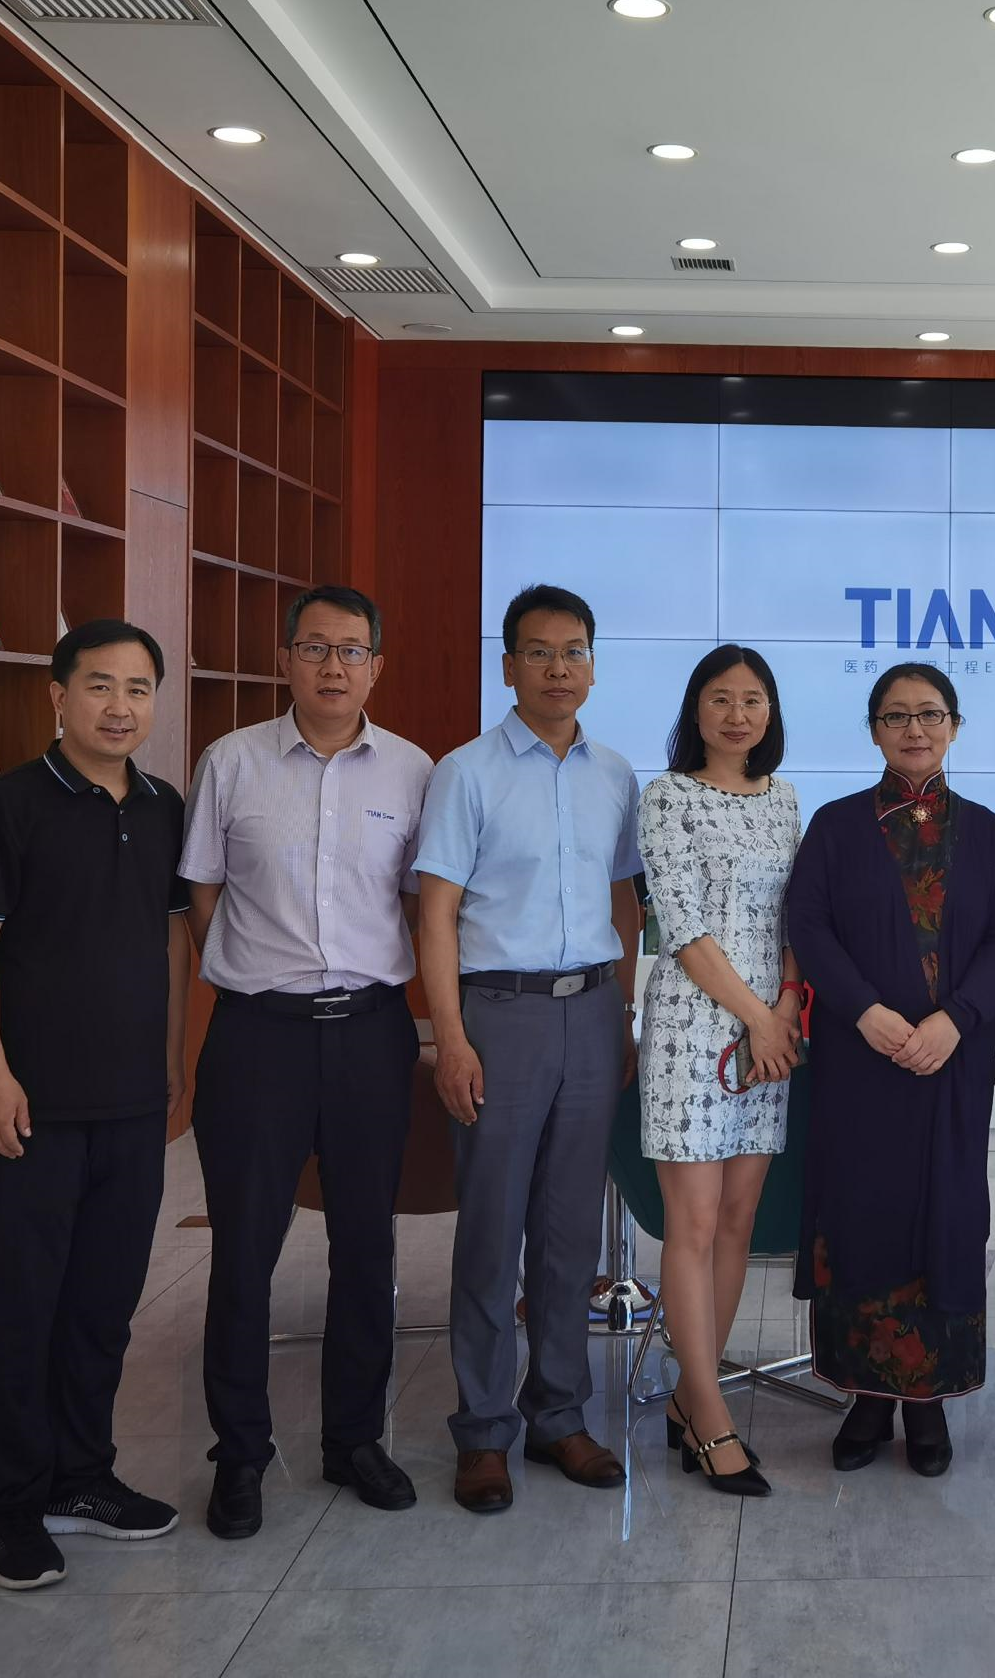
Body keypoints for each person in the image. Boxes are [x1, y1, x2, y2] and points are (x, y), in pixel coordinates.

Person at [0, 619, 191, 1591]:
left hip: (130, 1106)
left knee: (102, 1309)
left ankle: (82, 1478)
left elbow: (170, 945)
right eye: (99, 686)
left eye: (138, 689)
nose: (119, 707)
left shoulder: (163, 807)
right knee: (20, 1311)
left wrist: (170, 1064)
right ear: (57, 696)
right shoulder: (5, 804)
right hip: (29, 1108)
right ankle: (8, 1507)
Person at [179, 585, 433, 1539]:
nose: (334, 666)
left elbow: (419, 903)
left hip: (371, 1031)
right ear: (285, 658)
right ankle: (240, 1453)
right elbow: (202, 895)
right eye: (316, 647)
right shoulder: (232, 761)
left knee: (366, 1244)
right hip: (259, 1036)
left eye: (352, 650)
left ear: (377, 666)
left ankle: (354, 1440)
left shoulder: (413, 770)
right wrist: (255, 975)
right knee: (245, 1249)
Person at [415, 583, 644, 1514]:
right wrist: (450, 1037)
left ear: (593, 665)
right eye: (540, 652)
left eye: (575, 651)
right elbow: (435, 913)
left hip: (591, 1011)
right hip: (498, 1016)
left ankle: (558, 1415)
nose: (559, 668)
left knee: (566, 1233)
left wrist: (624, 1014)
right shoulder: (465, 772)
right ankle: (482, 1431)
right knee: (491, 1229)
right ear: (508, 666)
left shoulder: (614, 774)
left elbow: (624, 901)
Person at [785, 663, 995, 1476]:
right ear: (874, 730)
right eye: (896, 716)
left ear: (954, 726)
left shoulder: (990, 833)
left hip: (949, 1062)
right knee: (861, 1215)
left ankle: (928, 1403)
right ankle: (866, 1398)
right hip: (859, 1062)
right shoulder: (835, 826)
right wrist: (863, 1011)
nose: (914, 729)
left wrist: (957, 1020)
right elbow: (808, 925)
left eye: (929, 714)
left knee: (945, 1219)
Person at [637, 644, 805, 1497]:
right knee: (693, 1225)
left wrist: (785, 1009)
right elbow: (684, 929)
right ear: (695, 710)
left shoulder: (785, 800)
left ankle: (689, 1398)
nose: (737, 715)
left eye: (752, 700)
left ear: (770, 712)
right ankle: (709, 1416)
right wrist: (759, 1018)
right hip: (691, 1027)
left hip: (769, 1034)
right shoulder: (667, 796)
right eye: (720, 698)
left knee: (739, 1219)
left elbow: (795, 919)